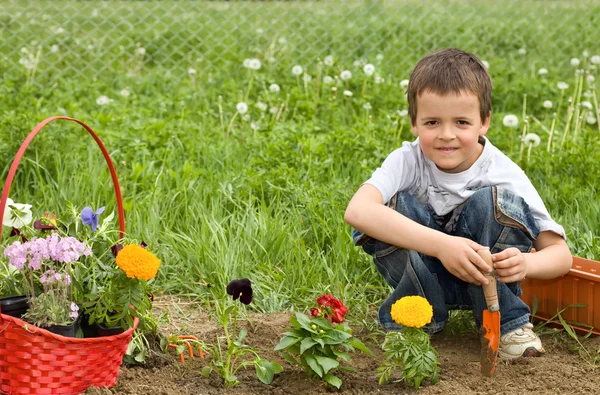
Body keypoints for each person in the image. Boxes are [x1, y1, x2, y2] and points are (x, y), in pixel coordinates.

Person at [344, 48, 572, 359]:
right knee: (393, 208)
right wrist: (442, 246)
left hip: (488, 278)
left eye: (462, 122)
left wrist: (527, 263)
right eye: (432, 122)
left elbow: (561, 256)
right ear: (414, 122)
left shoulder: (502, 172)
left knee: (493, 202)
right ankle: (417, 322)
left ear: (484, 123)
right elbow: (357, 211)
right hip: (424, 277)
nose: (446, 135)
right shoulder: (407, 160)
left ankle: (505, 325)